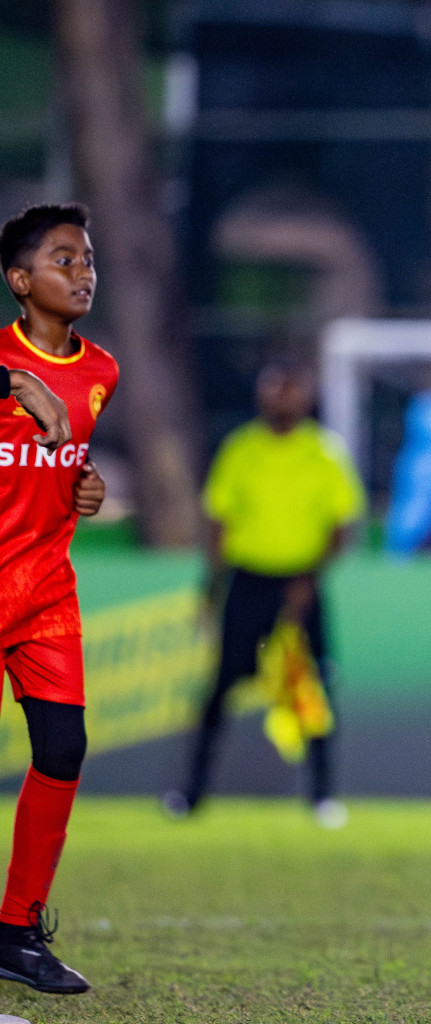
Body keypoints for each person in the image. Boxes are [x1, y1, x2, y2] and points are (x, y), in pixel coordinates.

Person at [0, 202, 119, 994]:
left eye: (86, 259)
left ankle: (16, 930)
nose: (82, 272)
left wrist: (86, 486)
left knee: (63, 751)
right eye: (63, 259)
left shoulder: (103, 370)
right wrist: (16, 381)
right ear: (19, 281)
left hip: (45, 588)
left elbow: (65, 463)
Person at [163, 360, 364, 827]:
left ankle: (322, 796)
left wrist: (310, 577)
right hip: (248, 581)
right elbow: (218, 520)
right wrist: (213, 584)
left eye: (291, 390)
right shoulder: (240, 449)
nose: (283, 398)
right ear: (261, 397)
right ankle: (191, 792)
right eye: (275, 390)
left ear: (306, 398)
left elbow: (343, 525)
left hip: (302, 582)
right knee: (220, 687)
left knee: (316, 686)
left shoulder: (324, 452)